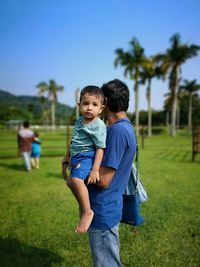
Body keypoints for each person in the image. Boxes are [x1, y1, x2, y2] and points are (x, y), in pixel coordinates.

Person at [87, 79, 136, 267]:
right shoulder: (122, 127)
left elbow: (104, 180)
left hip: (102, 210)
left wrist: (79, 170)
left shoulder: (117, 131)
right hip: (108, 207)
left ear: (105, 101)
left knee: (106, 264)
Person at [62, 86, 106, 233]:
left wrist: (95, 169)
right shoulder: (79, 121)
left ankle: (88, 211)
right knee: (69, 182)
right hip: (76, 156)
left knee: (76, 180)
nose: (89, 108)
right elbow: (74, 140)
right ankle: (83, 206)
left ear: (101, 109)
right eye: (85, 103)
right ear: (79, 105)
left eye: (94, 105)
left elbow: (100, 148)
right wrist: (67, 155)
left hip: (87, 156)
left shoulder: (98, 125)